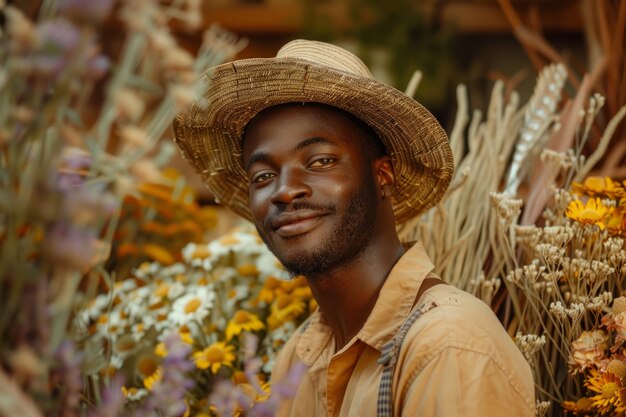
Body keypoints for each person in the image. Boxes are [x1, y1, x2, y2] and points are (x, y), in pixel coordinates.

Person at [173, 39, 535, 416]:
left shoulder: (447, 347)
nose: (285, 190)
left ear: (382, 176)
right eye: (263, 175)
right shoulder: (301, 355)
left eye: (321, 161)